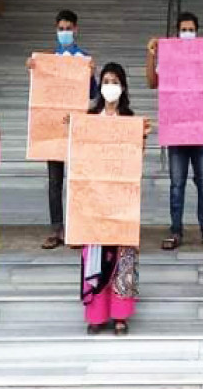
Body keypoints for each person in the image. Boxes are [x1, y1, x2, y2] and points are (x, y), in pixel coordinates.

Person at [146, 11, 203, 251]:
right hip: (177, 132)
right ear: (177, 33)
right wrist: (151, 55)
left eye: (190, 29)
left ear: (197, 32)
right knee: (177, 184)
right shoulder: (170, 55)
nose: (187, 33)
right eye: (183, 30)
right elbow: (153, 82)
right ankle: (176, 230)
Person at [82, 63, 151, 335]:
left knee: (122, 255)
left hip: (122, 198)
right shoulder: (89, 117)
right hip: (94, 198)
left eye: (115, 81)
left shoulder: (130, 119)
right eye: (106, 80)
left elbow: (137, 159)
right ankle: (96, 314)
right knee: (96, 253)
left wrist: (142, 138)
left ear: (122, 86)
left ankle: (120, 314)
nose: (110, 85)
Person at [29, 9, 97, 250]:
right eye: (61, 28)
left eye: (68, 28)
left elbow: (94, 95)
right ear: (56, 30)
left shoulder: (83, 59)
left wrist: (91, 75)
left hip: (76, 126)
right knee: (54, 181)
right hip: (52, 129)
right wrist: (34, 70)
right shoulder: (47, 61)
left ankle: (77, 228)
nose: (65, 32)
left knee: (78, 180)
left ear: (76, 30)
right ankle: (56, 228)